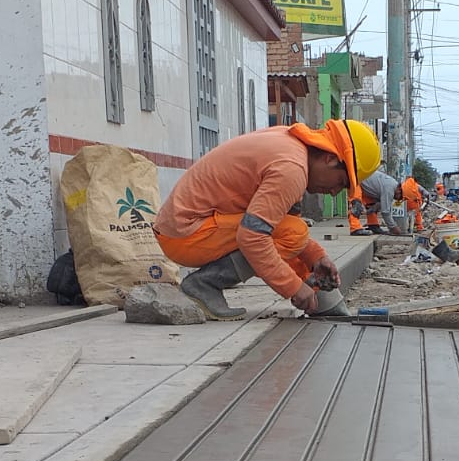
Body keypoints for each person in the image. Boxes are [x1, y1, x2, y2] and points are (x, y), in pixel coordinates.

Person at [155, 119, 380, 320]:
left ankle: (324, 303)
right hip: (186, 234)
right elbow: (253, 237)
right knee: (293, 232)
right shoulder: (292, 170)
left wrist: (315, 257)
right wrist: (293, 288)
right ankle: (203, 285)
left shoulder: (291, 144)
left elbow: (275, 224)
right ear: (331, 158)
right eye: (341, 182)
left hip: (184, 227)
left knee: (292, 229)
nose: (333, 192)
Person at [348, 169, 400, 236]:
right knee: (356, 204)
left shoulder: (392, 185)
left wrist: (374, 207)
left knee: (372, 203)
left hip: (364, 185)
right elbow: (385, 212)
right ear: (399, 189)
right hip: (356, 180)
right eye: (400, 197)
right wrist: (393, 227)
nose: (398, 199)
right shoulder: (390, 189)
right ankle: (355, 228)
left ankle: (373, 225)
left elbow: (377, 206)